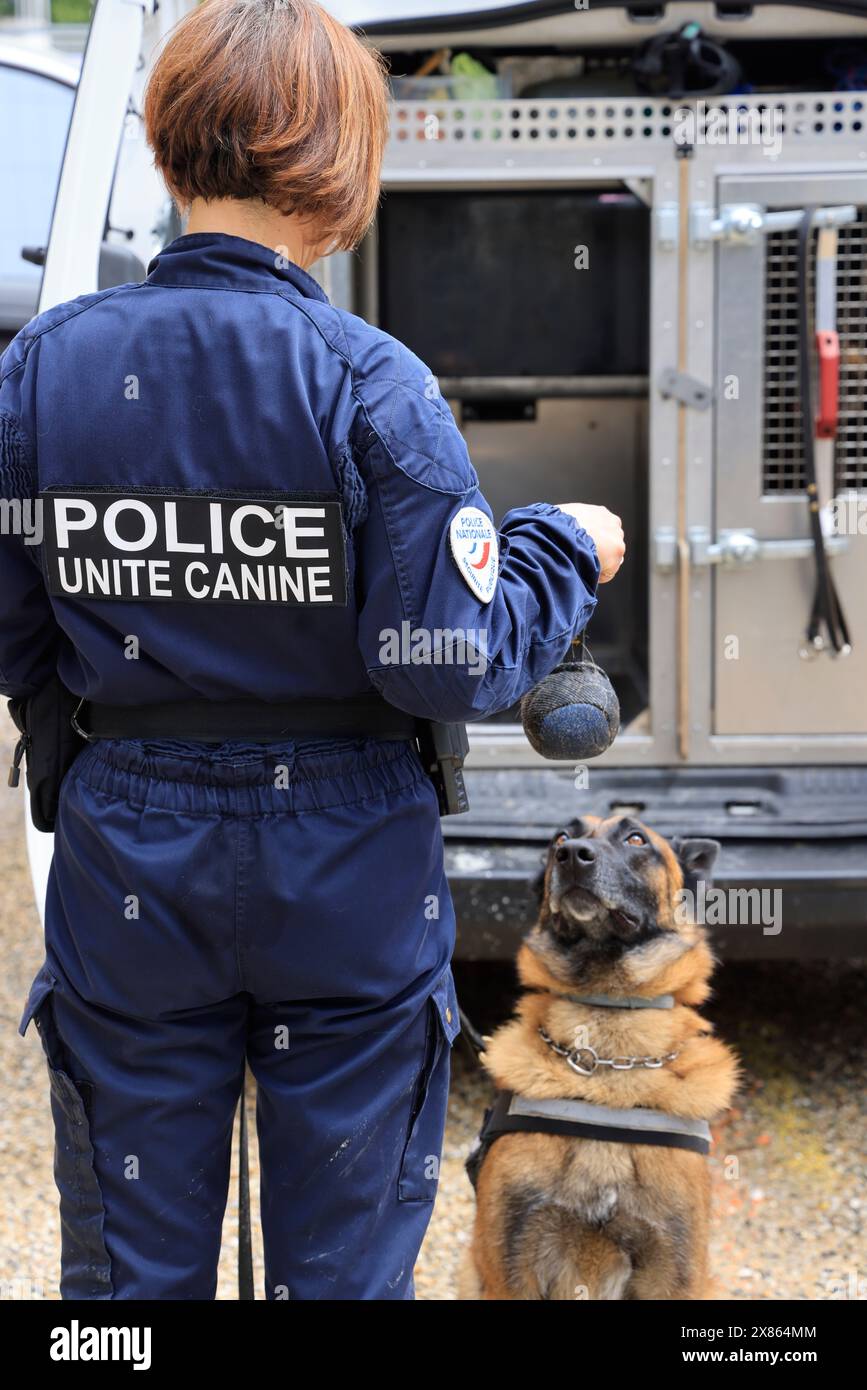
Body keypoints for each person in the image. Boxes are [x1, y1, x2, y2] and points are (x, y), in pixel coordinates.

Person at [0, 0, 625, 1300]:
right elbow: (445, 660)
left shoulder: (46, 370)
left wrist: (103, 748)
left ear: (169, 152)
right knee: (339, 1275)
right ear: (340, 170)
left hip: (131, 866)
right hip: (345, 871)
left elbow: (17, 629)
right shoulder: (371, 382)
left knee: (126, 1286)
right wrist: (564, 548)